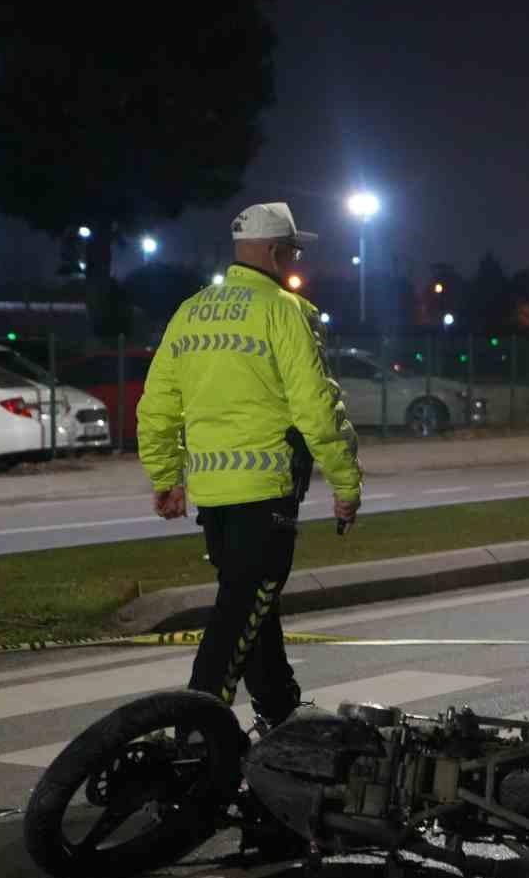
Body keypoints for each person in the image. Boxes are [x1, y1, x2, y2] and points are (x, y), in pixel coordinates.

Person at [137, 202, 362, 726]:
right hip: (266, 493)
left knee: (255, 607)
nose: (295, 258)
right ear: (276, 250)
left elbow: (157, 404)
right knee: (239, 615)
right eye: (293, 250)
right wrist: (346, 482)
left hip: (214, 498)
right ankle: (195, 730)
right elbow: (317, 408)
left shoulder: (190, 311)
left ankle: (282, 716)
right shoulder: (284, 310)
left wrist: (167, 476)